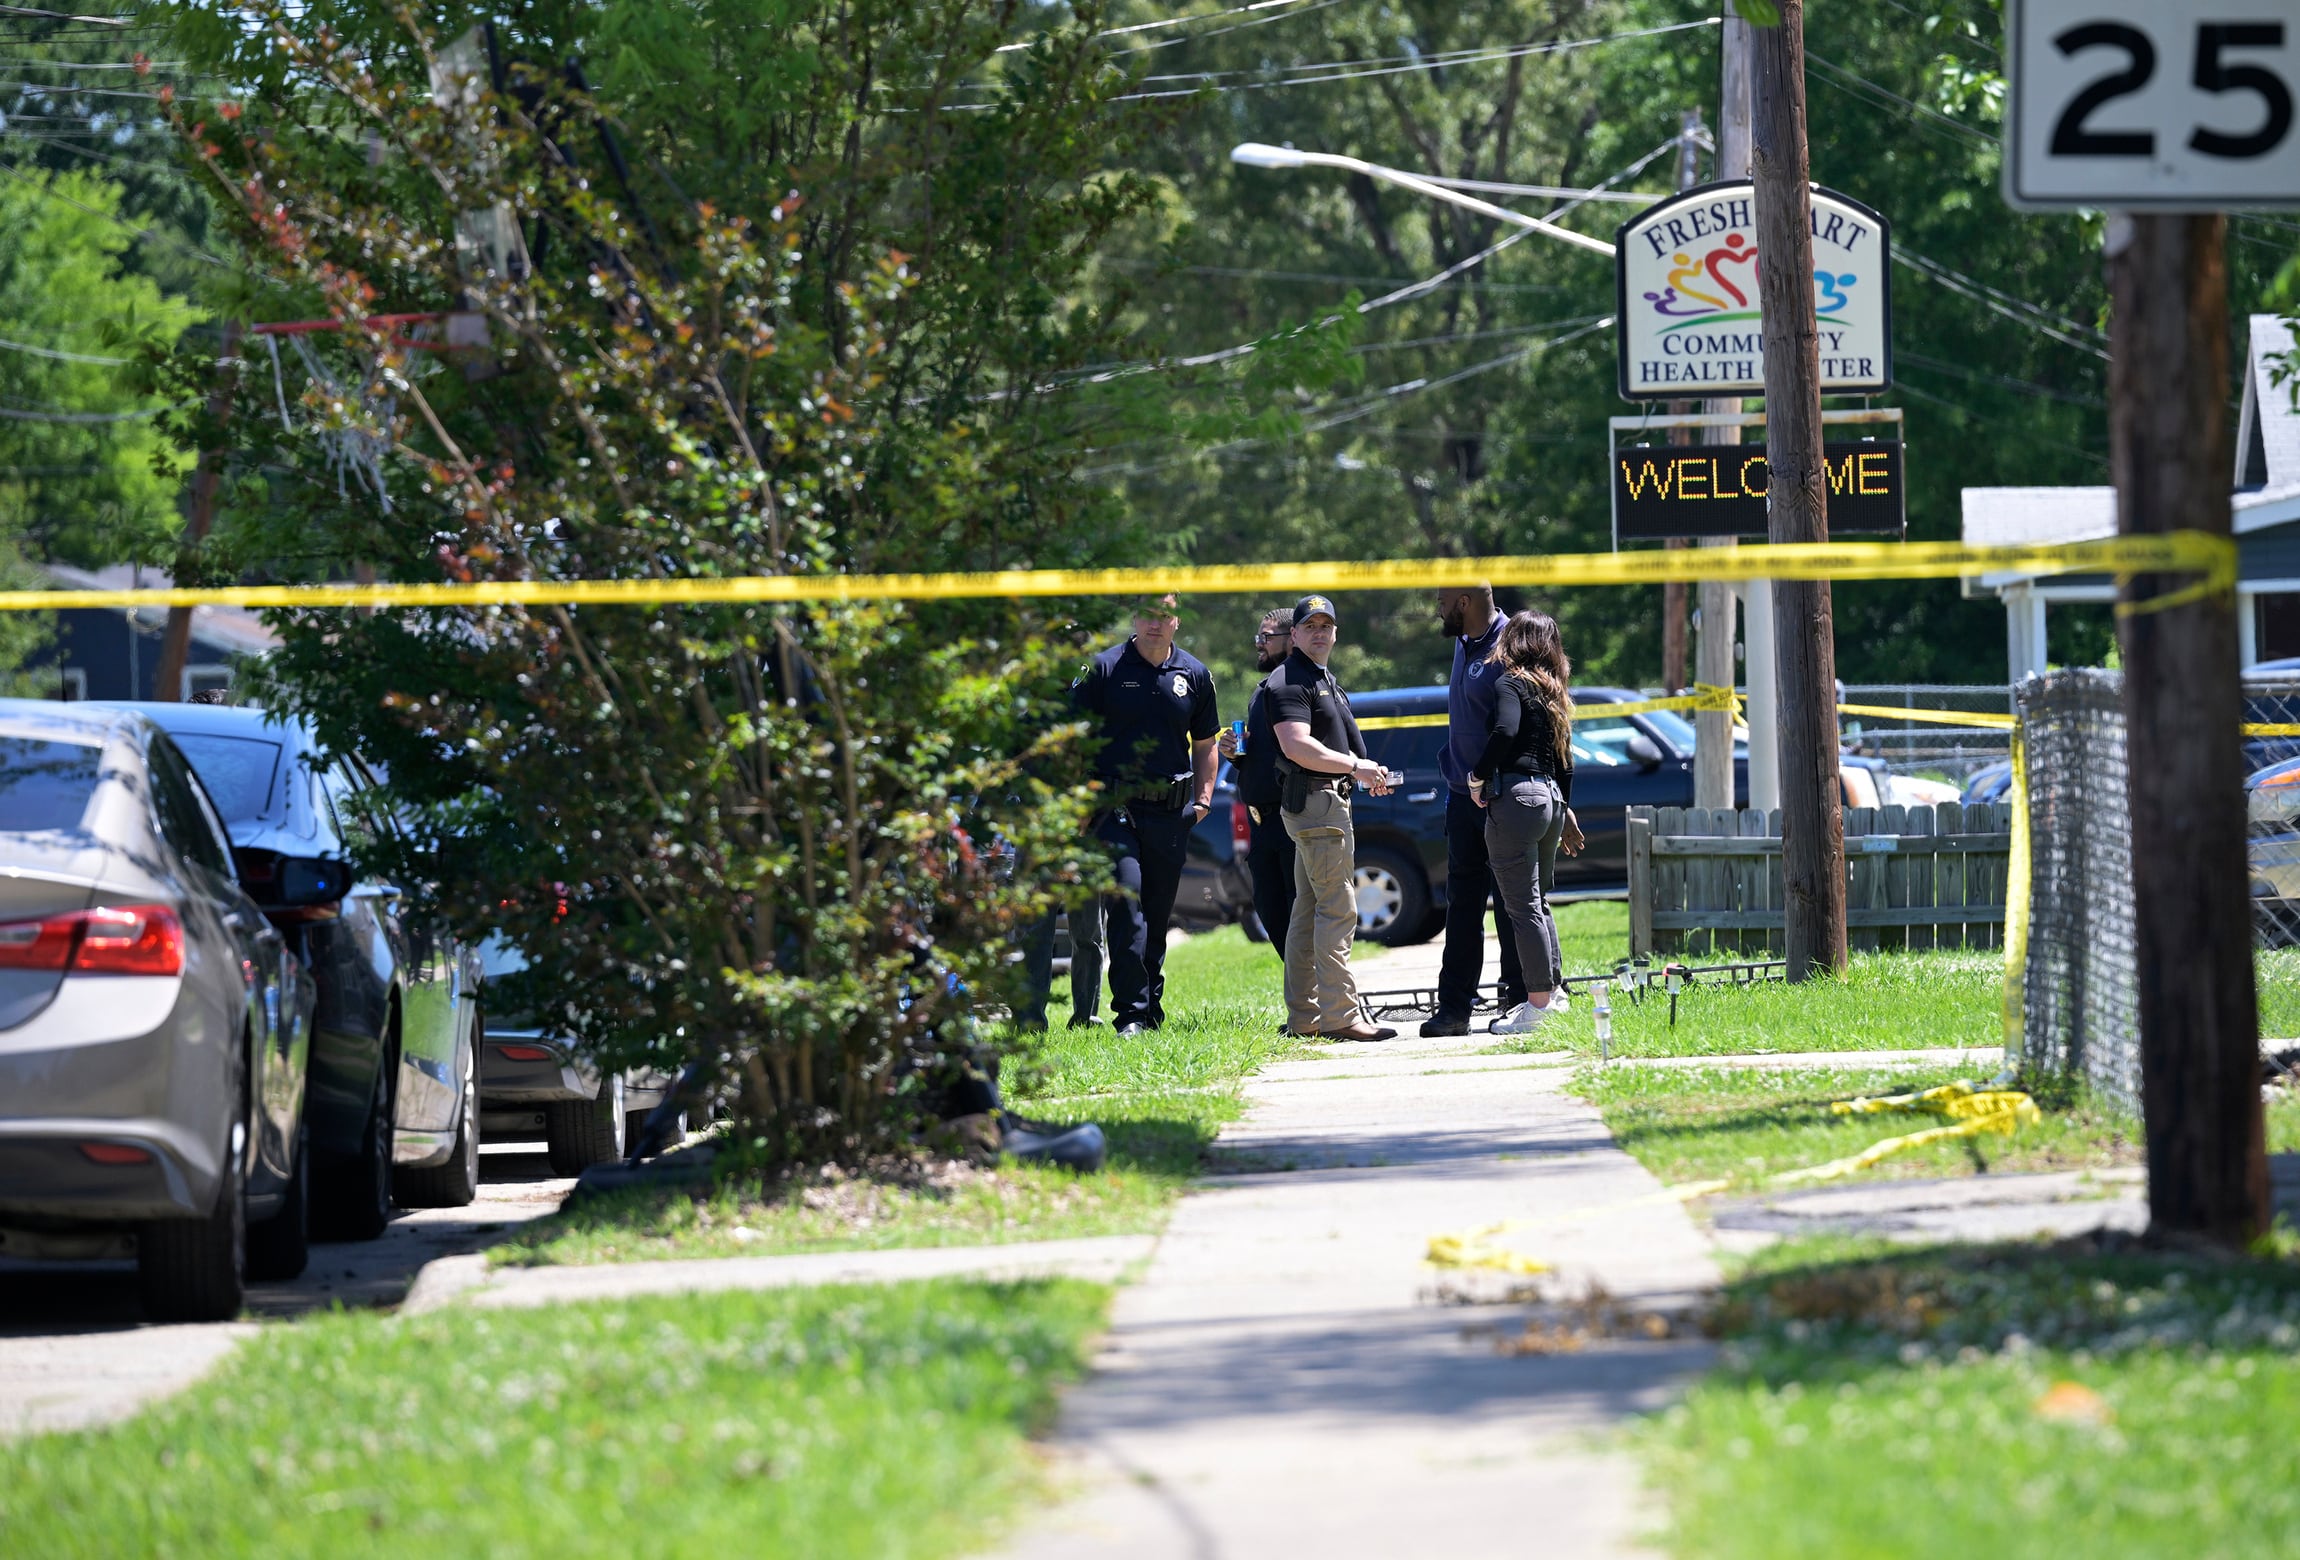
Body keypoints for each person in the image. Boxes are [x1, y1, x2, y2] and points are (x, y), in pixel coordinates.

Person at [1074, 596, 1220, 1035]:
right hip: (1114, 810)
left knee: (1156, 915)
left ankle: (1150, 1007)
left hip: (1171, 813)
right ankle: (1131, 1014)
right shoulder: (1103, 668)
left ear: (1177, 620)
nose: (1155, 624)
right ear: (1134, 618)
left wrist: (1203, 801)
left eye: (1164, 615)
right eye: (1146, 614)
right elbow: (1074, 740)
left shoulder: (1193, 674)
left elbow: (1206, 742)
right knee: (1127, 902)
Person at [1269, 595, 1398, 1042]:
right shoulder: (1289, 680)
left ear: (1336, 633)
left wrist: (1365, 771)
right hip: (1318, 806)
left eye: (1327, 625)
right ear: (1295, 634)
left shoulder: (1321, 677)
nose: (1320, 633)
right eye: (1311, 626)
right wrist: (1353, 766)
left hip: (1324, 802)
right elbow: (1296, 745)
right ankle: (1341, 1016)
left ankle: (1305, 1018)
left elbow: (1337, 738)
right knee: (1338, 910)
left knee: (1308, 913)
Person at [1471, 610, 1586, 1034]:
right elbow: (1566, 765)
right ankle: (1553, 995)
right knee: (1538, 902)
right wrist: (1564, 809)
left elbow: (1503, 732)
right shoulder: (1555, 693)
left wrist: (1476, 776)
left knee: (1522, 907)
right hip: (1551, 799)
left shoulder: (1511, 682)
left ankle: (1537, 1005)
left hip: (1517, 798)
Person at [1426, 582, 1529, 1036]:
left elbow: (1523, 726)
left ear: (1464, 603)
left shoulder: (1511, 645)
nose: (1437, 608)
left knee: (1513, 904)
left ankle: (1523, 999)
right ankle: (1454, 1009)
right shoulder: (1464, 644)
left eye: (1442, 600)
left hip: (1502, 797)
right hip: (1461, 799)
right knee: (1462, 904)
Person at [1218, 606, 1299, 959]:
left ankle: (1314, 1007)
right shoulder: (1263, 689)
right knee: (1272, 913)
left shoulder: (1300, 685)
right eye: (1258, 637)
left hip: (1293, 818)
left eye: (1266, 638)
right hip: (1262, 823)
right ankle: (1302, 1006)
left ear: (1291, 639)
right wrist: (1236, 753)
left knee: (1299, 917)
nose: (1259, 645)